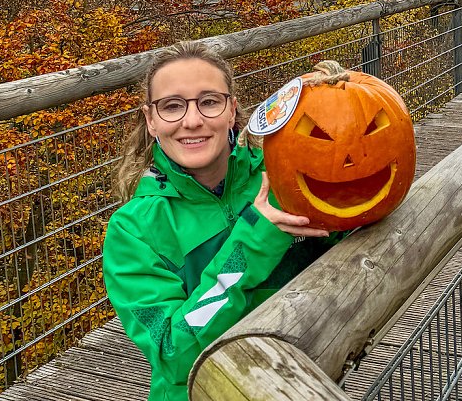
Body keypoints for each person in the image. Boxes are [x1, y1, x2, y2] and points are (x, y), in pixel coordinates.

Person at [103, 41, 344, 401]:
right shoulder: (133, 232)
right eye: (172, 106)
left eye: (209, 102)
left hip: (304, 380)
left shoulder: (281, 174)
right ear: (151, 120)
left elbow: (345, 240)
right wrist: (254, 240)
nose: (192, 120)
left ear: (232, 110)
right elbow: (172, 353)